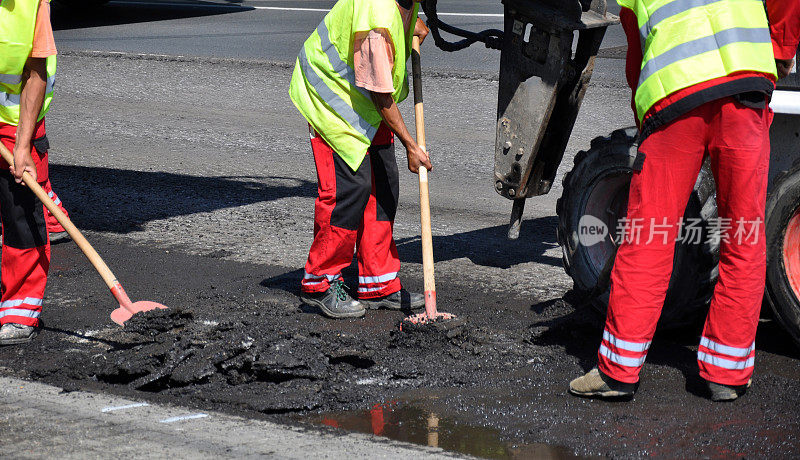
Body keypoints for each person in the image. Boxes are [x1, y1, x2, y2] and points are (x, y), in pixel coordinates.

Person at [569, 0, 800, 401]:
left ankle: (618, 371)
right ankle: (725, 375)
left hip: (674, 99)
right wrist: (779, 53)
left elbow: (634, 37)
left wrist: (645, 111)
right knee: (743, 235)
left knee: (646, 237)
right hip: (744, 91)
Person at [289, 0, 431, 319]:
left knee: (383, 185)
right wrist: (410, 144)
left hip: (361, 97)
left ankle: (377, 282)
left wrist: (411, 22)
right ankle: (320, 283)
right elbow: (381, 93)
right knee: (348, 191)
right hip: (330, 97)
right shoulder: (376, 20)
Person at [0, 0, 62, 344]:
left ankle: (20, 310)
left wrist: (23, 146)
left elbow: (37, 70)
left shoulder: (30, 3)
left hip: (16, 123)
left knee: (20, 210)